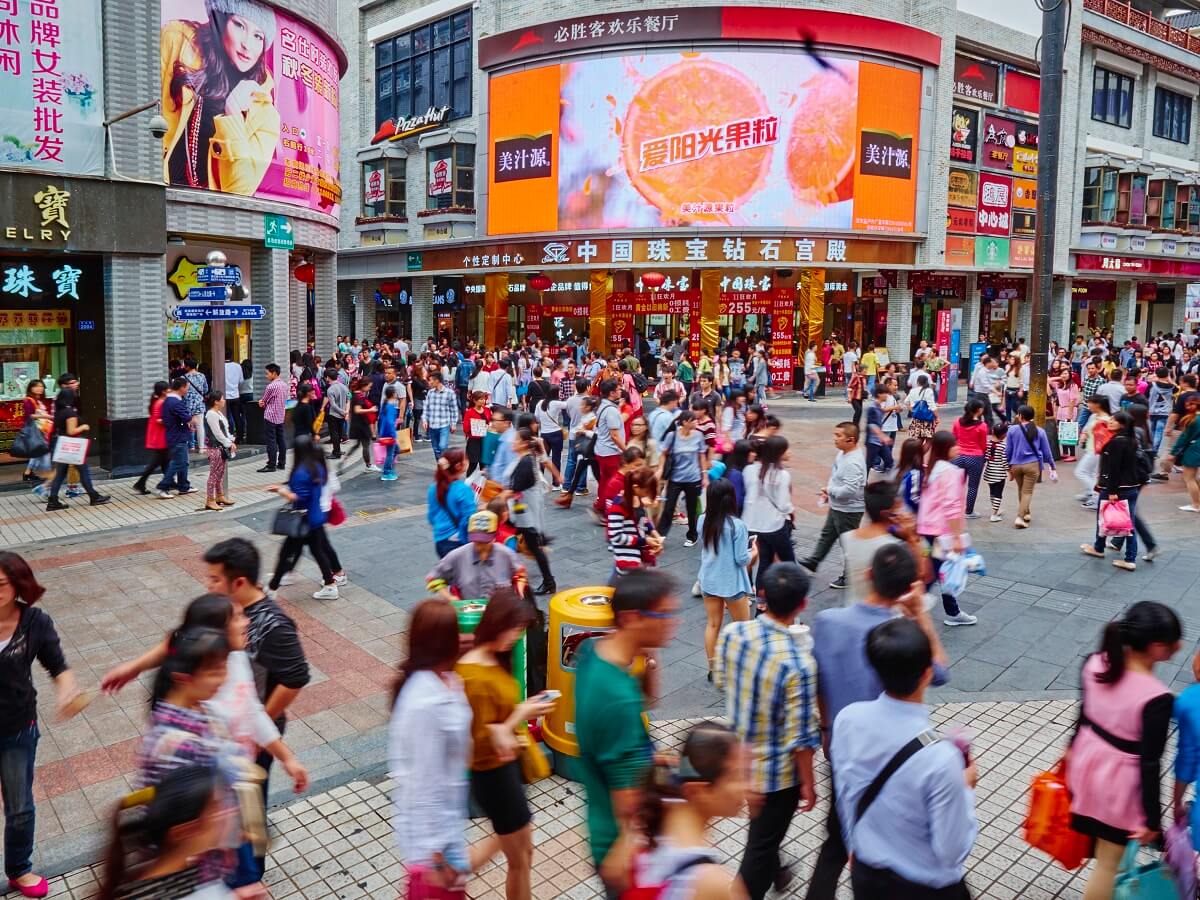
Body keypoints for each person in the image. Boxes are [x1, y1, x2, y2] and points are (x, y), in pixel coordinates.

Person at [807, 542, 949, 899]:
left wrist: (826, 729)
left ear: (869, 574)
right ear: (909, 587)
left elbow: (819, 680)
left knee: (836, 839)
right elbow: (940, 672)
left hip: (841, 744)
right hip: (892, 752)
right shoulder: (899, 637)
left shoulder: (826, 622)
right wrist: (921, 616)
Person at [832, 617, 977, 899]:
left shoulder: (848, 720)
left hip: (867, 876)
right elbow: (952, 851)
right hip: (925, 889)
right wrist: (965, 787)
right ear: (927, 674)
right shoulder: (941, 758)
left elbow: (846, 794)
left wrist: (854, 844)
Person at [714, 563, 819, 899]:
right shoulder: (799, 664)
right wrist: (809, 783)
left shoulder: (733, 634)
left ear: (762, 597)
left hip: (739, 757)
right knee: (760, 846)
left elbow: (721, 680)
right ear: (802, 604)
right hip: (777, 775)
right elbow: (801, 738)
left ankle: (779, 872)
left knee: (764, 832)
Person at [1068, 602, 1180, 900]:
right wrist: (1152, 821)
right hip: (1117, 785)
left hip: (1086, 764)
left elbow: (1083, 713)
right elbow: (1149, 764)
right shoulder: (1157, 698)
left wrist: (1070, 750)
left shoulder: (1095, 662)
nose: (1179, 647)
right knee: (1107, 863)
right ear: (1156, 647)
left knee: (1105, 852)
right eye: (1173, 642)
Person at [576, 569, 678, 896]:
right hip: (623, 852)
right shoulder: (616, 698)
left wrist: (646, 652)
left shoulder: (593, 653)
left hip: (602, 826)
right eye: (664, 614)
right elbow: (630, 808)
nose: (673, 622)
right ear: (632, 618)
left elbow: (647, 702)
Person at [389, 599, 500, 897]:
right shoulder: (425, 702)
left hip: (446, 829)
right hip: (433, 848)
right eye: (456, 633)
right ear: (445, 642)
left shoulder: (444, 680)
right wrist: (437, 859)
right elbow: (423, 782)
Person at [456, 590, 557, 900]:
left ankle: (454, 870)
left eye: (520, 629)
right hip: (493, 776)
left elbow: (497, 719)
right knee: (519, 860)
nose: (516, 636)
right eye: (513, 628)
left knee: (523, 855)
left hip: (506, 771)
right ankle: (450, 872)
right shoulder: (472, 674)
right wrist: (522, 713)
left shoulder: (494, 658)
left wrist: (523, 709)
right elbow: (479, 738)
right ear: (496, 623)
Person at [0, 552, 79, 899]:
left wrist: (67, 691)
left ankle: (19, 869)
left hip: (17, 728)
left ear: (18, 584)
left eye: (0, 584)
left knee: (19, 805)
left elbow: (58, 666)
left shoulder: (35, 622)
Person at [161, 0, 279, 194]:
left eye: (258, 36)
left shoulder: (265, 114)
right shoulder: (177, 40)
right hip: (156, 194)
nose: (247, 44)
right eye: (239, 25)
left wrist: (233, 116)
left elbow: (239, 191)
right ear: (221, 21)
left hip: (207, 209)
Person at [629, 723, 745, 900]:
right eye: (735, 776)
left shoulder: (654, 818)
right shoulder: (711, 882)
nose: (745, 786)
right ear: (700, 791)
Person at [98, 764, 241, 899]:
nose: (231, 811)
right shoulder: (203, 893)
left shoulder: (140, 877)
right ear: (183, 831)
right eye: (217, 807)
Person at [266, 436, 347, 600]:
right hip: (315, 517)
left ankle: (272, 589)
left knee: (286, 553)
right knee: (318, 551)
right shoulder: (318, 467)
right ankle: (330, 585)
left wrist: (281, 491)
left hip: (303, 519)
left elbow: (300, 498)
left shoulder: (301, 472)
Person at [915, 432, 978, 627]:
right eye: (955, 445)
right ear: (946, 449)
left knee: (941, 570)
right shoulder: (950, 472)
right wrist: (957, 536)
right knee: (933, 572)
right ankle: (910, 611)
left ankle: (953, 612)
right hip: (940, 533)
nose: (958, 448)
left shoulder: (931, 469)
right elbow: (951, 506)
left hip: (927, 530)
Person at [697, 479, 754, 681]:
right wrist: (754, 553)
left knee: (713, 624)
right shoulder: (737, 526)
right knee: (743, 627)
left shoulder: (703, 520)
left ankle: (713, 669)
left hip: (709, 580)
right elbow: (741, 559)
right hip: (732, 584)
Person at [834, 480, 929, 599]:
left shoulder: (848, 537)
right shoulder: (895, 548)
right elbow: (922, 576)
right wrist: (913, 539)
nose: (904, 511)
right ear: (887, 514)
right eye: (899, 506)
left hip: (856, 604)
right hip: (887, 609)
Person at [1079, 410, 1146, 571]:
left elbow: (1114, 469)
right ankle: (1103, 548)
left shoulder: (1117, 442)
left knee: (1112, 521)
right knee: (1129, 523)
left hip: (1117, 488)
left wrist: (1111, 491)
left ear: (1122, 425)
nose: (1110, 421)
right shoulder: (1132, 440)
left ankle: (1123, 557)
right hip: (1131, 487)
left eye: (1114, 420)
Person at [799, 422, 866, 575]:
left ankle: (850, 576)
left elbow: (849, 490)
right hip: (838, 505)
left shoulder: (853, 462)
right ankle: (814, 560)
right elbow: (836, 476)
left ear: (850, 440)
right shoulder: (843, 454)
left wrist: (829, 490)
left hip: (848, 510)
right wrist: (829, 492)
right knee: (828, 534)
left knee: (849, 544)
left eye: (838, 435)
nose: (834, 438)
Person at [426, 510, 524, 601]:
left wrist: (519, 591)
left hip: (500, 611)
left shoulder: (506, 554)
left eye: (485, 542)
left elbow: (521, 575)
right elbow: (433, 579)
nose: (480, 546)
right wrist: (450, 598)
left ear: (495, 536)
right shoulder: (457, 555)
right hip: (468, 612)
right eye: (477, 541)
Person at [506, 428, 557, 595]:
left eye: (516, 439)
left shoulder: (526, 462)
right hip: (523, 512)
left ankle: (548, 582)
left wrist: (495, 502)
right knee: (530, 546)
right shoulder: (526, 459)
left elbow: (514, 489)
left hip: (526, 514)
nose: (512, 442)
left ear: (524, 443)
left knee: (533, 547)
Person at [44, 386, 111, 512]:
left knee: (60, 474)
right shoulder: (69, 412)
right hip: (73, 447)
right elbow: (71, 431)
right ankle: (94, 496)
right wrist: (84, 427)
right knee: (83, 471)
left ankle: (53, 500)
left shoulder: (59, 412)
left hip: (63, 445)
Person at [741, 435, 795, 586]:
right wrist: (791, 510)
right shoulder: (782, 475)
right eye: (786, 450)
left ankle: (760, 595)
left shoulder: (749, 470)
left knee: (764, 561)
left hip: (751, 524)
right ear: (778, 453)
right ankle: (794, 592)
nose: (789, 452)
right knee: (789, 562)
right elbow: (784, 505)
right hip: (773, 525)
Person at [656, 411, 708, 546]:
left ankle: (692, 536)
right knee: (669, 507)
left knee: (692, 509)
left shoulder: (698, 436)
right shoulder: (672, 436)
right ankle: (660, 535)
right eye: (694, 420)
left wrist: (704, 475)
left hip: (693, 478)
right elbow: (663, 453)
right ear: (685, 422)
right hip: (675, 478)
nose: (697, 422)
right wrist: (660, 468)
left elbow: (702, 456)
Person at [1004, 404, 1058, 528]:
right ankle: (1020, 517)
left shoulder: (1012, 430)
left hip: (1016, 465)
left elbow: (1008, 451)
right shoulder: (1040, 431)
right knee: (1027, 492)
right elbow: (1047, 451)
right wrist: (1052, 466)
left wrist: (1008, 465)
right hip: (1032, 465)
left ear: (1020, 416)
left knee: (1021, 489)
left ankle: (1026, 513)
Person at [606, 466, 663, 580]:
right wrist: (645, 540)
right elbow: (615, 536)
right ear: (636, 487)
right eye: (646, 491)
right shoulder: (618, 505)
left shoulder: (637, 499)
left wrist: (655, 535)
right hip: (627, 558)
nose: (648, 495)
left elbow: (643, 519)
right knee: (630, 586)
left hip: (637, 554)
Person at [428, 448, 477, 558]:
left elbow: (431, 517)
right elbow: (469, 520)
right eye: (465, 459)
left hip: (440, 541)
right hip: (458, 543)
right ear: (458, 466)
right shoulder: (463, 490)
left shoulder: (434, 488)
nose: (467, 461)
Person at [593, 379, 628, 520]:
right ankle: (609, 510)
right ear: (612, 393)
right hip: (611, 452)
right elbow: (614, 435)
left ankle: (601, 506)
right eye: (619, 389)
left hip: (602, 450)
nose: (621, 391)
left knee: (606, 480)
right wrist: (626, 450)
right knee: (615, 483)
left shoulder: (603, 405)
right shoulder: (611, 410)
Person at [951, 399, 988, 519]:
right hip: (975, 458)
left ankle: (953, 508)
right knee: (972, 486)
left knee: (956, 484)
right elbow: (983, 445)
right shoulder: (982, 426)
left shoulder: (957, 422)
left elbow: (953, 438)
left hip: (958, 456)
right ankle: (969, 511)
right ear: (979, 410)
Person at [132, 381, 169, 496]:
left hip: (159, 435)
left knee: (164, 461)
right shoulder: (160, 403)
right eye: (168, 389)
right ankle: (141, 483)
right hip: (160, 436)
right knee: (157, 462)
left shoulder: (158, 401)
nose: (170, 391)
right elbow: (159, 419)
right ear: (163, 391)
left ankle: (168, 482)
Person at [202, 391, 236, 511]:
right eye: (222, 398)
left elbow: (224, 431)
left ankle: (220, 496)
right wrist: (229, 443)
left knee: (220, 473)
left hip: (221, 448)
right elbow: (217, 433)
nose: (224, 400)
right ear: (216, 401)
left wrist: (230, 440)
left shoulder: (218, 413)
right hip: (215, 448)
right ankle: (210, 499)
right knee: (214, 474)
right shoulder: (211, 414)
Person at [1166, 392, 1200, 512]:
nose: (1187, 407)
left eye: (1190, 404)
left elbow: (1184, 438)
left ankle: (1196, 505)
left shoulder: (1192, 419)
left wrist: (1173, 452)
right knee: (1195, 478)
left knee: (1189, 478)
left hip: (1193, 449)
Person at [340, 376, 378, 474]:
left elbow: (351, 404)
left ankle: (344, 460)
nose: (369, 388)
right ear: (363, 386)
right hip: (361, 425)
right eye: (369, 387)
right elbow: (357, 410)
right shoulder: (359, 396)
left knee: (357, 445)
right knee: (365, 445)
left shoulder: (354, 394)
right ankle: (368, 465)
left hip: (356, 424)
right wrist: (370, 410)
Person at [257, 363, 289, 473]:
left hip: (270, 416)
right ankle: (282, 463)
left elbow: (263, 401)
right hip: (280, 415)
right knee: (281, 440)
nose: (266, 376)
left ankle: (271, 465)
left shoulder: (271, 386)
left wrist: (261, 403)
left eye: (267, 373)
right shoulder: (285, 385)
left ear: (274, 373)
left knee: (271, 441)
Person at [424, 369, 459, 460]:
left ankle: (445, 464)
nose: (429, 383)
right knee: (436, 448)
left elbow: (454, 409)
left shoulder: (450, 393)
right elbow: (426, 407)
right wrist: (424, 420)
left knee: (442, 446)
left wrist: (453, 423)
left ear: (437, 380)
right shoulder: (430, 393)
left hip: (444, 424)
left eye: (430, 380)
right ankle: (441, 465)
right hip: (432, 425)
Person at [863, 384, 894, 474]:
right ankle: (863, 481)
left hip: (879, 441)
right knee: (869, 463)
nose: (887, 395)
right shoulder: (872, 407)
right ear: (879, 394)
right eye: (885, 393)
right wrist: (883, 436)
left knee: (889, 460)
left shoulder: (878, 406)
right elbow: (872, 424)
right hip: (872, 441)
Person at [983, 421, 1010, 523]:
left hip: (989, 472)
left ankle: (995, 509)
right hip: (999, 474)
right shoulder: (1003, 446)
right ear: (1003, 435)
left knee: (992, 493)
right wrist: (1010, 471)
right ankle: (994, 514)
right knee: (998, 494)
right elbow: (1004, 461)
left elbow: (986, 457)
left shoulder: (987, 443)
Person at [463, 390, 493, 477]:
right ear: (474, 400)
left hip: (485, 441)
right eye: (481, 399)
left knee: (484, 465)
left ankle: (483, 483)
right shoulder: (469, 412)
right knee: (473, 464)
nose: (483, 401)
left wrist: (489, 427)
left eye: (484, 399)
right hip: (474, 441)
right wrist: (478, 426)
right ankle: (468, 482)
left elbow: (491, 422)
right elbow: (466, 428)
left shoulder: (487, 410)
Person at [323, 366, 350, 459]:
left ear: (328, 378)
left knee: (334, 434)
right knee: (339, 433)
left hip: (334, 415)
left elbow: (333, 405)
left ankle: (336, 453)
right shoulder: (344, 387)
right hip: (342, 415)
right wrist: (346, 412)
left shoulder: (330, 390)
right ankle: (337, 450)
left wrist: (343, 412)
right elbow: (349, 399)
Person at [903, 374, 938, 442]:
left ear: (918, 382)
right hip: (927, 418)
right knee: (929, 440)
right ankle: (920, 450)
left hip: (916, 418)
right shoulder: (928, 390)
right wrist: (937, 417)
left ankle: (917, 449)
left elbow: (906, 401)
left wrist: (912, 410)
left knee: (919, 439)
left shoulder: (912, 390)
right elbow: (932, 405)